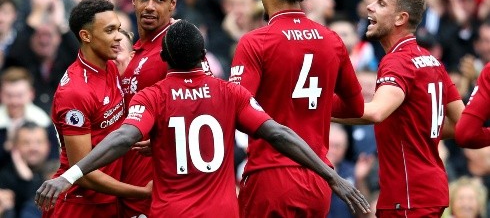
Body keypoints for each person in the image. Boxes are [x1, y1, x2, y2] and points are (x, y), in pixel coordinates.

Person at [34, 20, 371, 217]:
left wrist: (71, 174)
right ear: (202, 56)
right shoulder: (230, 94)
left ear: (164, 57)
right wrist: (332, 177)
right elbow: (279, 133)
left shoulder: (153, 96)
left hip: (172, 212)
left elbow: (123, 138)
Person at [229, 0, 365, 217]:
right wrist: (317, 105)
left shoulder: (256, 41)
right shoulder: (332, 39)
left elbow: (238, 107)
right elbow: (356, 106)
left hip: (270, 176)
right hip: (318, 180)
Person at [333, 0, 465, 217]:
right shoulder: (431, 61)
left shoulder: (397, 61)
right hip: (429, 190)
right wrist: (418, 130)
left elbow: (376, 112)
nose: (369, 7)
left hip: (407, 195)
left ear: (400, 18)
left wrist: (317, 106)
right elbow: (460, 124)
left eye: (381, 3)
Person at [43, 0, 150, 218]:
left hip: (107, 201)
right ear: (86, 36)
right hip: (79, 205)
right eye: (110, 30)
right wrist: (141, 193)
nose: (118, 36)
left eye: (119, 29)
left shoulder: (109, 66)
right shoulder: (76, 92)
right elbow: (81, 173)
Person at [118, 0, 179, 217]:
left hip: (155, 186)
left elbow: (201, 107)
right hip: (128, 182)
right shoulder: (135, 51)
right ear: (133, 0)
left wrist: (163, 142)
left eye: (160, 0)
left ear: (172, 4)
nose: (150, 7)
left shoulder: (177, 49)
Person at [0, 122, 51, 217]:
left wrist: (29, 179)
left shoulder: (56, 172)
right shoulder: (5, 177)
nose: (33, 148)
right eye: (26, 143)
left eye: (39, 142)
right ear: (15, 147)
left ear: (48, 145)